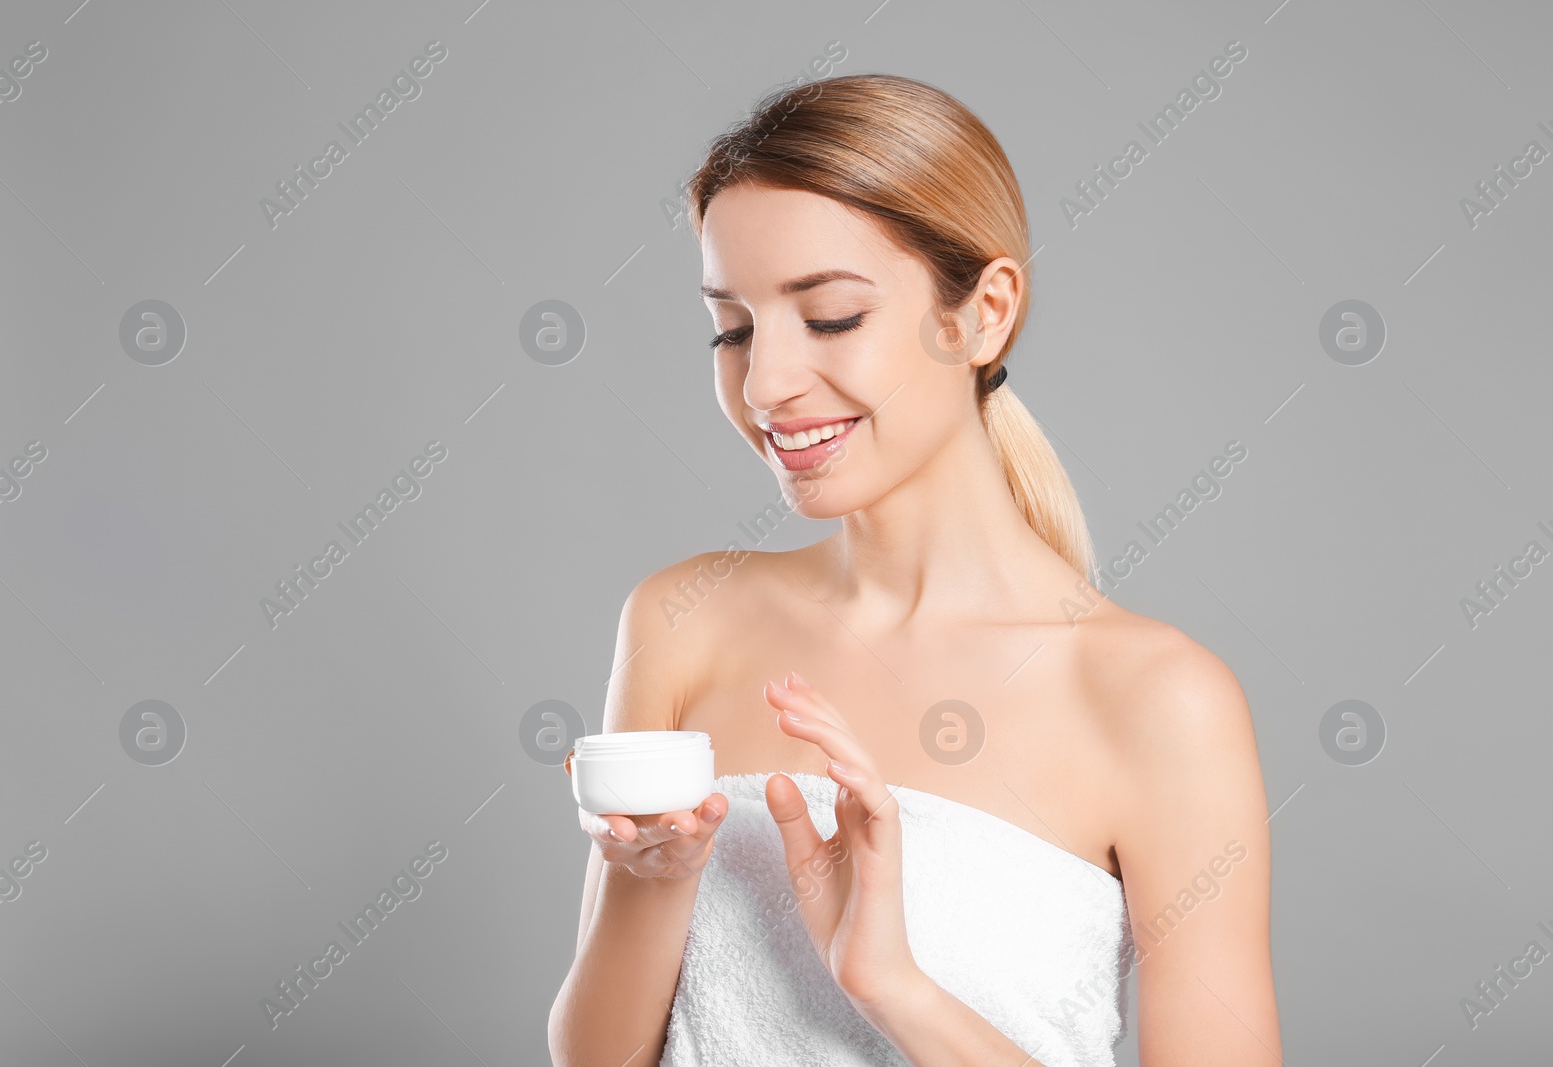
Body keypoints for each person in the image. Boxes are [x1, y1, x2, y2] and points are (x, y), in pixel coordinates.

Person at [549, 72, 1280, 1066]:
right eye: (733, 326)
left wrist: (893, 986)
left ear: (983, 313)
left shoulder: (1157, 698)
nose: (764, 382)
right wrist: (659, 873)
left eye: (833, 315)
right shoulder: (685, 616)